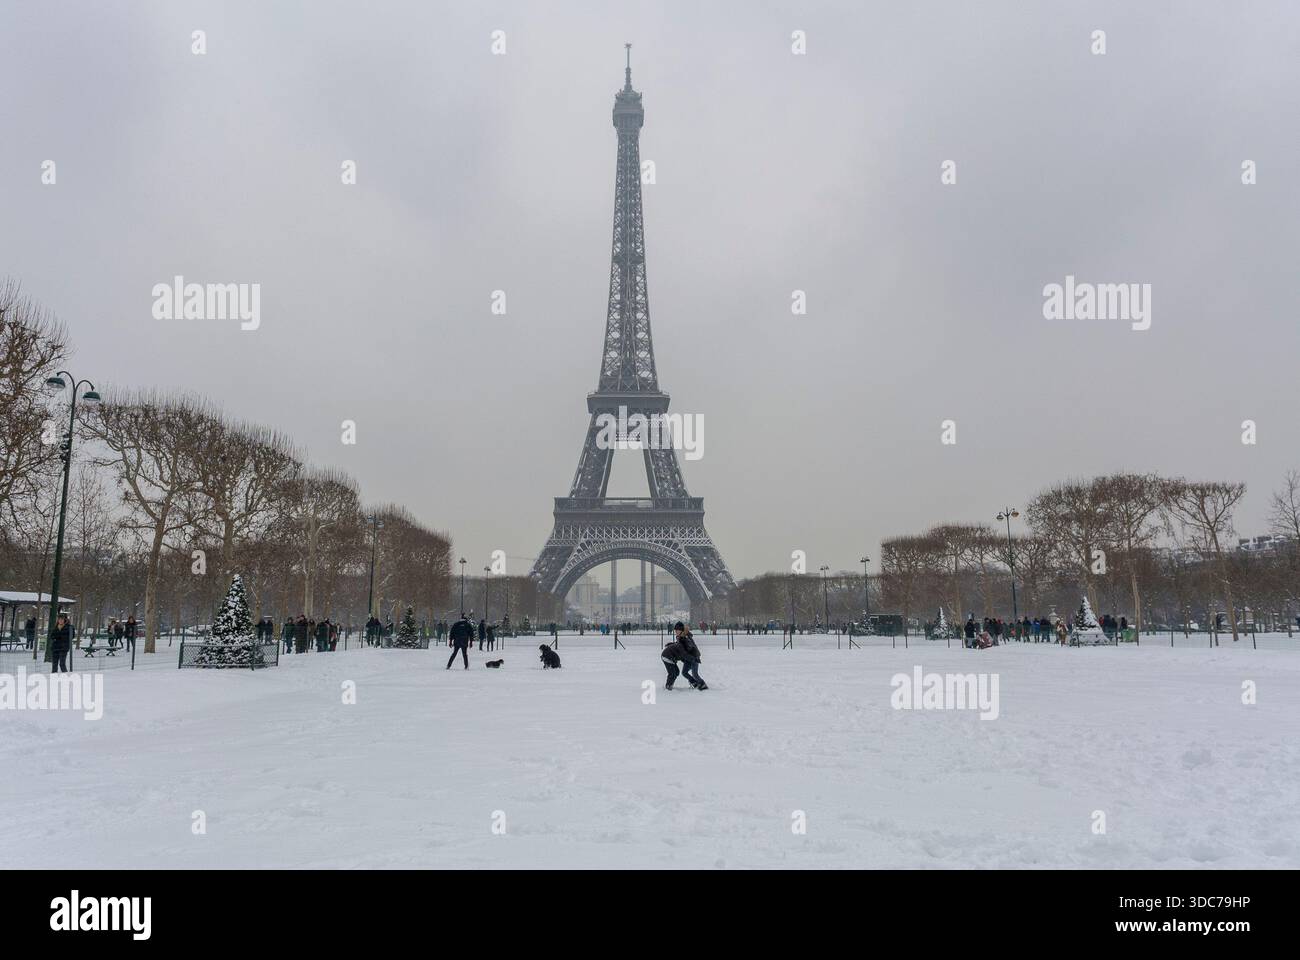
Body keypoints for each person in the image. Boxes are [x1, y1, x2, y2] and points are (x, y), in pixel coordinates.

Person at [677, 623, 707, 690]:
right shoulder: (682, 638)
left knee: (695, 674)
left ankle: (703, 685)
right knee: (684, 673)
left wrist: (694, 657)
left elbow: (691, 648)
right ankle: (694, 682)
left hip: (694, 657)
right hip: (688, 658)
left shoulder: (686, 638)